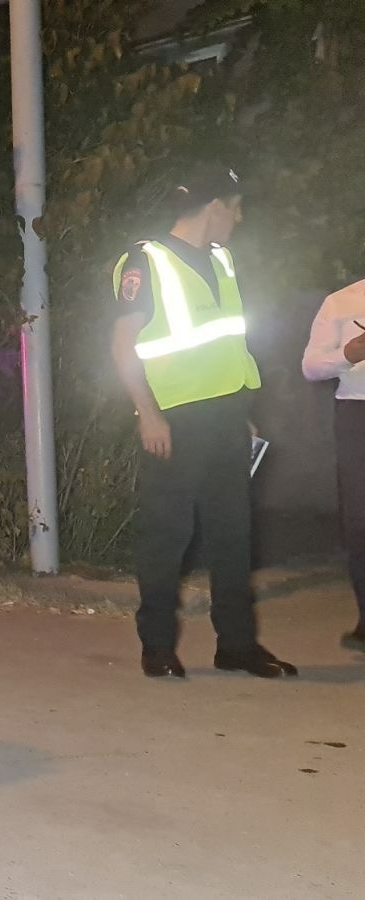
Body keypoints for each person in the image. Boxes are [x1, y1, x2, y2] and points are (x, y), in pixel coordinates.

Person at [109, 164, 297, 679]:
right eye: (236, 209)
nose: (239, 219)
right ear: (215, 207)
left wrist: (244, 415)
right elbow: (123, 347)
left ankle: (236, 646)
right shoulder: (146, 261)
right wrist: (149, 415)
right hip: (174, 421)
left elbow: (228, 343)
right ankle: (157, 647)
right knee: (166, 536)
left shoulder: (223, 260)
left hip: (227, 418)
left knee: (233, 536)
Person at [300, 278, 365, 652]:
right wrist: (349, 354)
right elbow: (311, 366)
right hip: (357, 413)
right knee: (360, 521)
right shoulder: (341, 302)